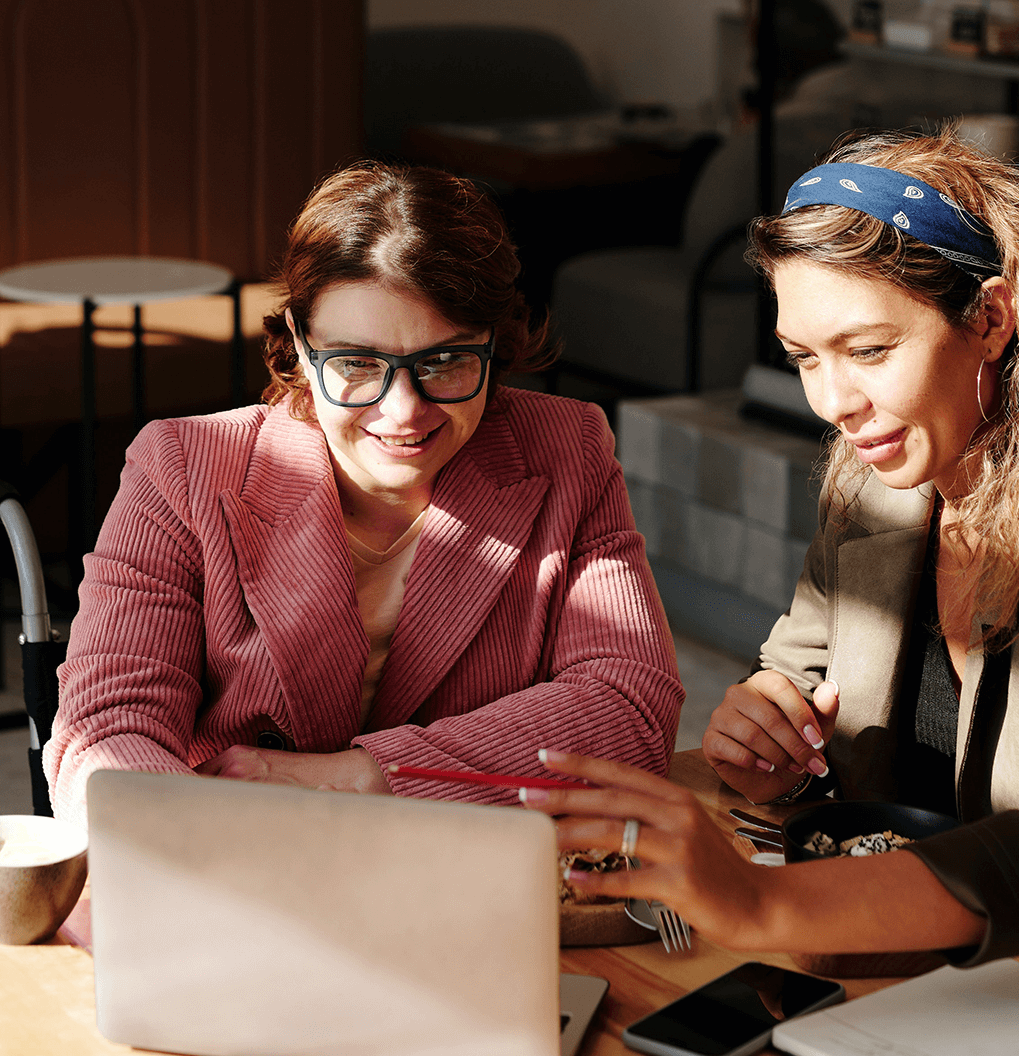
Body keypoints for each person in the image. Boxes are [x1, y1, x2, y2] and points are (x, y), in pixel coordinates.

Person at [538, 129, 1019, 966]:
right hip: (918, 976)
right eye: (803, 359)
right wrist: (772, 741)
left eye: (868, 351)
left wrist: (764, 902)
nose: (833, 402)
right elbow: (798, 674)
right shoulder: (877, 490)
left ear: (992, 320)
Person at [44, 162, 683, 826]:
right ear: (299, 341)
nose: (403, 411)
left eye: (444, 361)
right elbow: (104, 729)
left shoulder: (566, 449)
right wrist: (202, 835)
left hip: (465, 874)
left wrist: (364, 775)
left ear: (497, 344)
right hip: (241, 860)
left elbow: (630, 709)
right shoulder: (183, 467)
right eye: (356, 363)